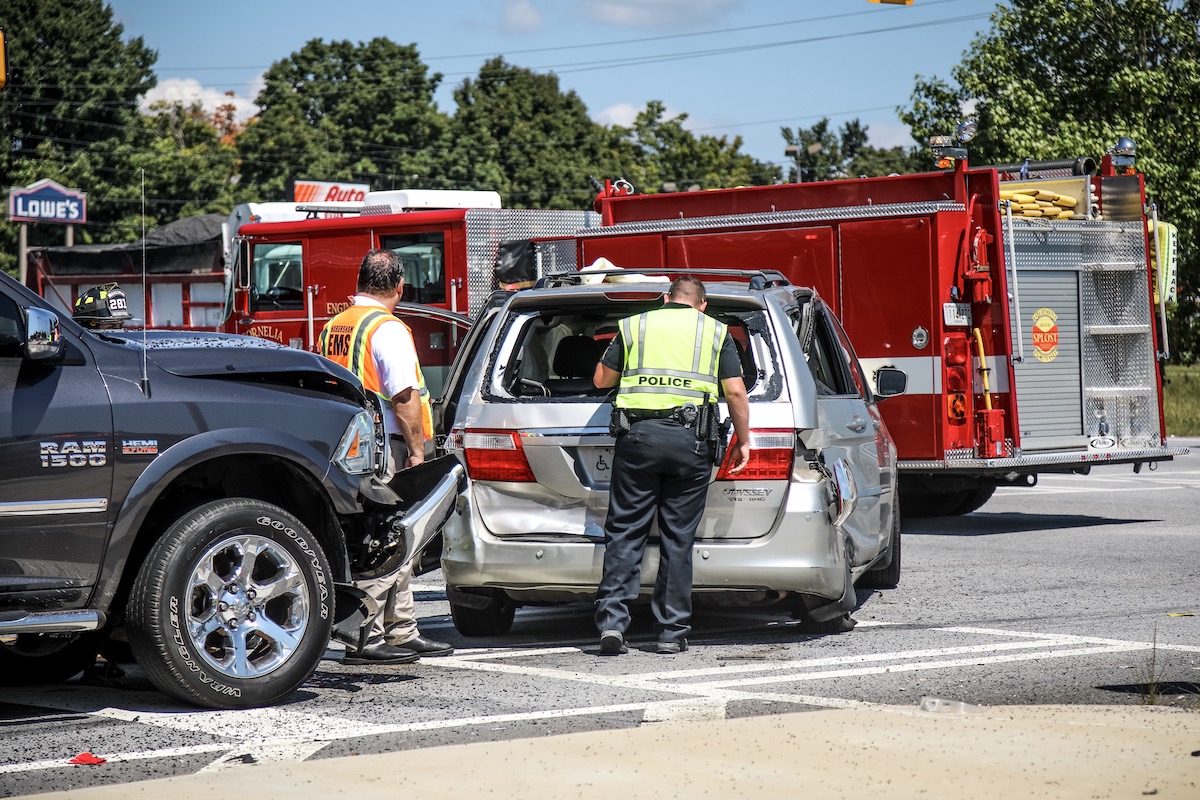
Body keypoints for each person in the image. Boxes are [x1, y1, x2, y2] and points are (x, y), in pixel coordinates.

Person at [592, 276, 751, 655]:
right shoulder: (715, 331)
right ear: (702, 304)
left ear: (666, 299)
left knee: (625, 531)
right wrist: (744, 441)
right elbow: (735, 391)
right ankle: (671, 632)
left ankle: (612, 623)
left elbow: (601, 381)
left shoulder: (635, 325)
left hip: (639, 438)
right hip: (691, 442)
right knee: (677, 539)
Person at [317, 248, 454, 665]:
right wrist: (417, 451)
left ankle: (402, 629)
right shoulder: (388, 328)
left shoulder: (335, 325)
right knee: (388, 537)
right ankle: (366, 634)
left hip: (347, 445)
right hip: (384, 447)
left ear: (358, 283)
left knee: (388, 534)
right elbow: (405, 397)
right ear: (399, 286)